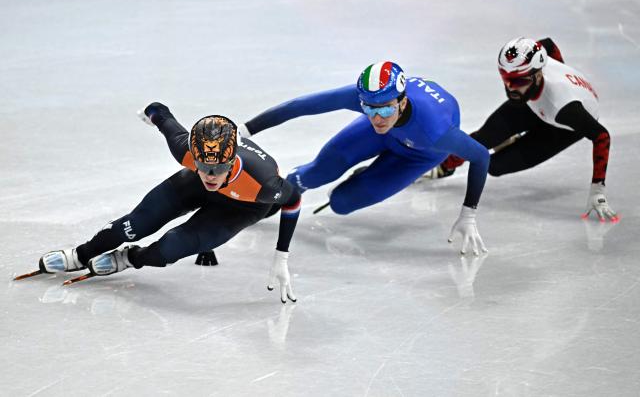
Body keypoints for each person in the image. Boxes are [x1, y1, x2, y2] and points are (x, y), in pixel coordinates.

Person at [23, 104, 301, 303]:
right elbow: (161, 112)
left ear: (232, 160)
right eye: (203, 165)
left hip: (243, 206)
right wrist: (151, 113)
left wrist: (281, 256)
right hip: (192, 186)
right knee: (134, 224)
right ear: (195, 156)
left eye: (219, 168)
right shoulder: (185, 150)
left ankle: (130, 258)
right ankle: (81, 254)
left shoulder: (264, 184)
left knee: (170, 247)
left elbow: (293, 200)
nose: (211, 176)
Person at [240, 61, 491, 255]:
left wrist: (469, 213)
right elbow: (300, 106)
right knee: (313, 174)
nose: (377, 118)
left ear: (402, 102)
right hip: (385, 136)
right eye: (369, 109)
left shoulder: (436, 130)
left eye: (385, 109)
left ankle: (366, 176)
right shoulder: (374, 102)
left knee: (341, 203)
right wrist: (247, 129)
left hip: (418, 154)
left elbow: (480, 156)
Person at [435, 37, 619, 222]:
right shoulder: (531, 69)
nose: (509, 87)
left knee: (495, 166)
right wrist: (559, 67)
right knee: (483, 139)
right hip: (535, 100)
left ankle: (518, 139)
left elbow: (601, 136)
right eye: (506, 79)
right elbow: (548, 43)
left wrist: (597, 190)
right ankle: (444, 165)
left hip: (564, 126)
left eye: (517, 81)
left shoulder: (564, 107)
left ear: (538, 75)